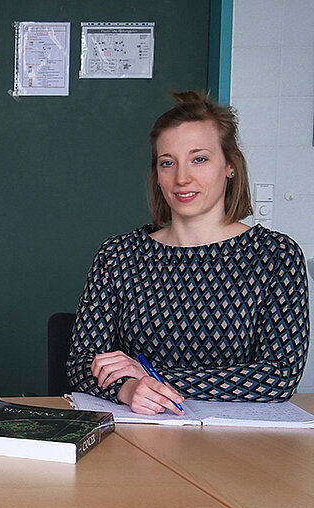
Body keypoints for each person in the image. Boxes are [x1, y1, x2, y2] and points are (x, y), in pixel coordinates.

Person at [67, 91, 309, 415]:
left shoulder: (276, 256)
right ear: (157, 175)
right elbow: (82, 363)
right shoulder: (118, 255)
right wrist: (127, 389)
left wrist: (153, 379)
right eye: (168, 163)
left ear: (230, 166)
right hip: (141, 431)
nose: (182, 178)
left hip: (238, 439)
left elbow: (279, 375)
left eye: (199, 159)